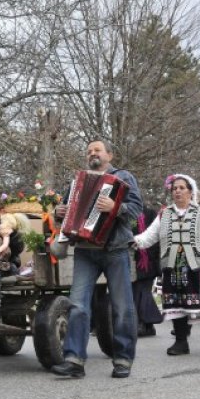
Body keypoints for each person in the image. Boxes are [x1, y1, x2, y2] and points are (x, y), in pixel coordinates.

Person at [51, 139, 142, 379]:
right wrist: (58, 212)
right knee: (77, 306)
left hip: (116, 248)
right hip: (85, 249)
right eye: (89, 151)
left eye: (97, 150)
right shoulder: (77, 183)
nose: (92, 153)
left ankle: (122, 358)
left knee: (122, 307)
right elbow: (66, 212)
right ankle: (74, 360)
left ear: (109, 155)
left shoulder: (124, 177)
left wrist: (115, 206)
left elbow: (136, 209)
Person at [135, 175, 200, 354]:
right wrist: (132, 241)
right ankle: (181, 342)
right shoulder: (164, 214)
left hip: (199, 267)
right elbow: (149, 236)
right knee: (175, 304)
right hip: (173, 268)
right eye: (174, 188)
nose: (177, 191)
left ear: (190, 191)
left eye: (181, 188)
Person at [132, 205, 163, 337]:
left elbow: (156, 238)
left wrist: (152, 258)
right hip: (130, 259)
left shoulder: (150, 213)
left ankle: (144, 323)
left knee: (143, 292)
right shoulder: (125, 213)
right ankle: (145, 324)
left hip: (147, 260)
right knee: (135, 292)